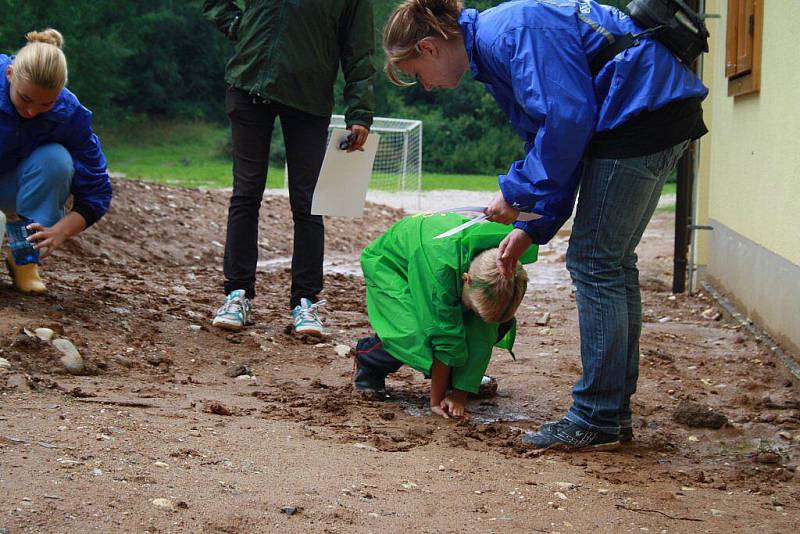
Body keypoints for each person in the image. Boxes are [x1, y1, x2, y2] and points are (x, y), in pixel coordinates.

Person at [382, 0, 707, 449]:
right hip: (650, 111)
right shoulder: (496, 48)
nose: (428, 87)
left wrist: (515, 192)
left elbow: (569, 121)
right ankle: (612, 414)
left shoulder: (508, 33)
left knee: (596, 264)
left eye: (418, 73)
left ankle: (597, 417)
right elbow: (554, 138)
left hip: (641, 113)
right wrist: (531, 228)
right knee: (610, 264)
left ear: (428, 47)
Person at [202, 0, 376, 335]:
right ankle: (237, 294)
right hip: (250, 82)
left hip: (310, 97)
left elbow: (359, 50)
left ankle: (305, 302)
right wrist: (241, 27)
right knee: (246, 192)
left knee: (308, 201)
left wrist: (360, 112)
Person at [355, 213, 535, 419]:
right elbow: (443, 334)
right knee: (415, 334)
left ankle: (452, 377)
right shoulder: (440, 271)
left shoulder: (504, 261)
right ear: (466, 280)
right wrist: (436, 401)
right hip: (392, 267)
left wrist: (459, 394)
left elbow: (482, 335)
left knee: (494, 324)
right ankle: (370, 360)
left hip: (439, 268)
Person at [1, 29, 112, 294]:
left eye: (45, 104)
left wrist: (61, 230)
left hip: (14, 183)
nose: (32, 111)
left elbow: (97, 189)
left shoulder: (70, 114)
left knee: (56, 161)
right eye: (25, 98)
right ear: (10, 75)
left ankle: (24, 259)